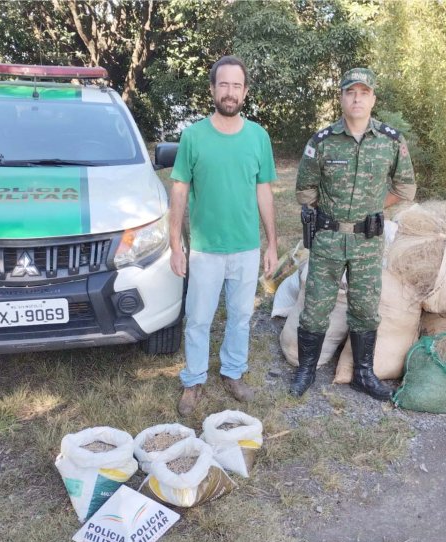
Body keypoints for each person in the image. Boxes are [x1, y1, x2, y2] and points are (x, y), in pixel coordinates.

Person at [290, 67, 417, 400]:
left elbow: (405, 188)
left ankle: (363, 373)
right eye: (350, 92)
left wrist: (375, 205)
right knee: (316, 306)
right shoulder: (322, 141)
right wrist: (331, 213)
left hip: (367, 241)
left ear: (373, 98)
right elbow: (305, 190)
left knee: (364, 307)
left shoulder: (391, 141)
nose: (357, 98)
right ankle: (305, 371)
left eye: (363, 92)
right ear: (342, 98)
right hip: (329, 238)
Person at [169, 55, 278, 416]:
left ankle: (233, 372)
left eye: (236, 86)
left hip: (246, 247)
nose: (229, 92)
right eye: (223, 85)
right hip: (205, 248)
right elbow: (180, 190)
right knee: (198, 318)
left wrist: (272, 243)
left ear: (244, 92)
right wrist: (175, 244)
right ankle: (194, 379)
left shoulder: (258, 137)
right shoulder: (193, 136)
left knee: (240, 316)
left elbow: (264, 191)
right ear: (213, 89)